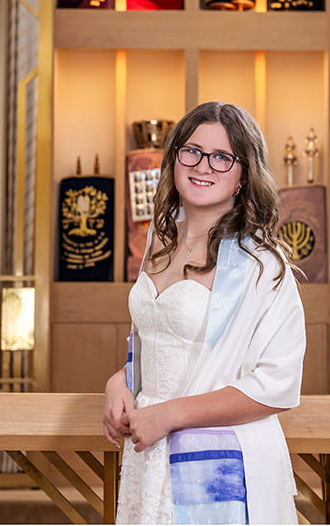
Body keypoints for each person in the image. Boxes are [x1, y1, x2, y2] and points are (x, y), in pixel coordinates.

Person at [103, 101, 307, 524]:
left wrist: (170, 414)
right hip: (150, 449)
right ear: (175, 158)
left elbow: (278, 383)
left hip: (219, 462)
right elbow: (154, 344)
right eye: (191, 151)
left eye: (222, 157)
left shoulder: (261, 265)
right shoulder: (157, 245)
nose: (203, 166)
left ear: (243, 175)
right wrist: (119, 382)